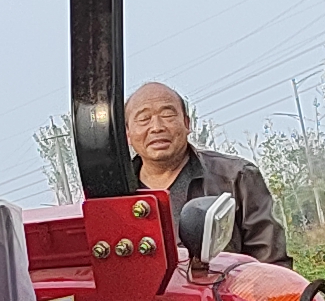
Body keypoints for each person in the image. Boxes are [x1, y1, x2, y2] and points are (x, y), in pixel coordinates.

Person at [124, 81, 290, 263]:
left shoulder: (236, 177)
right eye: (143, 119)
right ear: (128, 134)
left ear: (187, 123)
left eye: (167, 115)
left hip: (225, 290)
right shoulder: (115, 194)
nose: (157, 127)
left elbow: (271, 264)